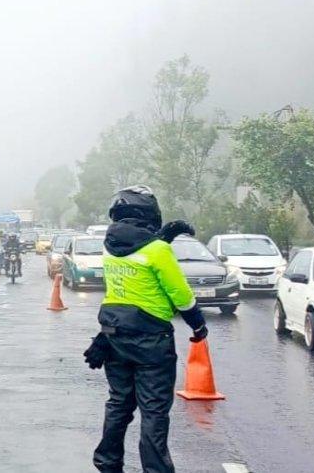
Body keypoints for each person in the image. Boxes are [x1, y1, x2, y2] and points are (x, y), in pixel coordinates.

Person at [86, 185, 205, 473]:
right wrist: (198, 324)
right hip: (151, 339)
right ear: (150, 214)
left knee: (119, 403)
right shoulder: (158, 250)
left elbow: (138, 251)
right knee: (153, 411)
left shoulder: (109, 244)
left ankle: (107, 463)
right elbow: (181, 295)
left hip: (114, 334)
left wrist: (164, 237)